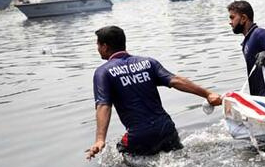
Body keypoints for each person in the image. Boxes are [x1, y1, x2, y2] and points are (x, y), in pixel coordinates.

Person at [86, 26, 222, 159]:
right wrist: (207, 94)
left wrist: (100, 139)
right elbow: (175, 80)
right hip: (166, 129)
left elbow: (103, 105)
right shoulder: (148, 62)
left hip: (139, 136)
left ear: (105, 46)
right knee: (178, 160)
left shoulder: (103, 72)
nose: (97, 49)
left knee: (120, 162)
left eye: (98, 45)